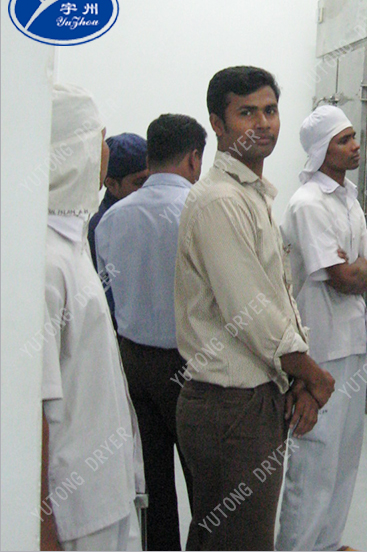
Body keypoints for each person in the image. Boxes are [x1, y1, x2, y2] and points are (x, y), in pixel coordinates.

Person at [174, 66, 335, 551]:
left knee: (221, 538)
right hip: (231, 408)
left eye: (270, 110)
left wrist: (295, 376)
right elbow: (252, 312)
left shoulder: (250, 194)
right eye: (246, 113)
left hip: (251, 398)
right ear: (217, 124)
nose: (263, 123)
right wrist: (314, 375)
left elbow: (276, 297)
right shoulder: (220, 201)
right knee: (241, 541)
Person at [94, 114, 206, 551]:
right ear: (194, 159)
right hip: (190, 364)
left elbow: (108, 296)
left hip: (133, 364)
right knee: (205, 483)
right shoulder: (201, 211)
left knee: (153, 484)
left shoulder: (111, 219)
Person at [41, 83, 145, 550]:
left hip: (105, 496)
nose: (105, 153)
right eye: (99, 140)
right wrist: (41, 532)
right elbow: (32, 413)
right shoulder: (44, 260)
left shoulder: (71, 240)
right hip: (74, 511)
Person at [277, 106, 367, 552]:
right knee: (315, 458)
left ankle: (329, 543)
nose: (356, 146)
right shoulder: (308, 204)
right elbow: (341, 278)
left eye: (354, 137)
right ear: (321, 150)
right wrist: (354, 269)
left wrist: (356, 269)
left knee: (345, 454)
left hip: (353, 341)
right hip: (319, 348)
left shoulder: (348, 199)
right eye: (344, 140)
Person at [88, 133, 149, 270]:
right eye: (139, 182)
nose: (149, 187)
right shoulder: (100, 229)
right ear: (111, 184)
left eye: (151, 178)